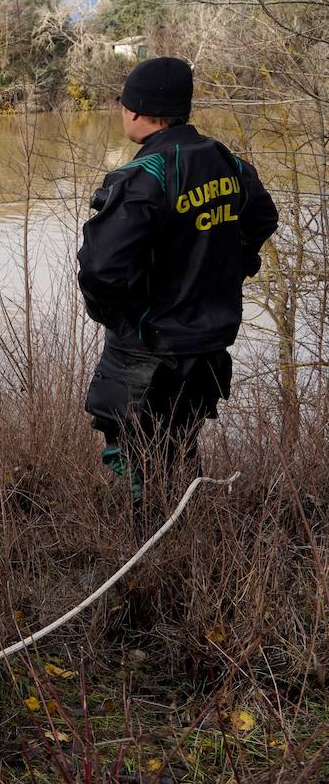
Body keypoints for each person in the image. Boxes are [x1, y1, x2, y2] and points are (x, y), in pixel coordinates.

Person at [78, 56, 278, 523]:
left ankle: (154, 558)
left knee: (139, 459)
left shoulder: (142, 177)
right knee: (181, 447)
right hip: (209, 342)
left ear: (135, 109)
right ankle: (186, 540)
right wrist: (231, 268)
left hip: (152, 349)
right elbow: (262, 219)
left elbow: (100, 272)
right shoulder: (226, 161)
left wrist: (121, 317)